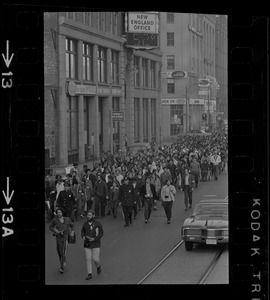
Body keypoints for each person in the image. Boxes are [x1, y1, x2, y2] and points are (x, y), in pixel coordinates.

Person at [49, 207, 75, 273]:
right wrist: (55, 230)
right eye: (57, 212)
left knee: (63, 252)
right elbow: (50, 227)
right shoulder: (55, 220)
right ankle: (63, 260)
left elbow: (72, 225)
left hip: (65, 238)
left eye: (60, 212)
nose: (59, 214)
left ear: (62, 213)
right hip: (58, 238)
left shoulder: (67, 219)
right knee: (59, 252)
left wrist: (72, 232)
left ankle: (62, 267)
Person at [81, 209, 104, 280]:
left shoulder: (98, 223)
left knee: (95, 259)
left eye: (90, 215)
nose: (88, 216)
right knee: (88, 258)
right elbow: (82, 231)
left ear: (93, 216)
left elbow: (101, 234)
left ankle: (98, 266)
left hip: (95, 243)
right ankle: (89, 274)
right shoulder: (85, 224)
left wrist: (94, 239)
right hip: (87, 243)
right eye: (87, 215)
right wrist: (83, 237)